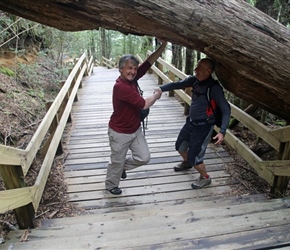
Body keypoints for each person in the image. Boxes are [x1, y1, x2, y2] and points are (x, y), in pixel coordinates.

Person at [105, 39, 167, 195]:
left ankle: (120, 168)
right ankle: (111, 185)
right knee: (116, 161)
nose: (132, 71)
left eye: (134, 68)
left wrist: (163, 46)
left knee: (144, 157)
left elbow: (148, 63)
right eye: (129, 69)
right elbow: (144, 104)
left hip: (135, 129)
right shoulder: (121, 87)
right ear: (120, 69)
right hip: (119, 132)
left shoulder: (132, 78)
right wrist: (156, 95)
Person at [157, 58, 231, 189]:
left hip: (204, 126)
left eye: (200, 68)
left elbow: (226, 109)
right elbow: (176, 85)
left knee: (196, 157)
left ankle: (205, 178)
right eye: (196, 67)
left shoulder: (214, 88)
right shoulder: (194, 80)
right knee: (180, 146)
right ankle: (187, 163)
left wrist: (222, 132)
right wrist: (160, 89)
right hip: (191, 122)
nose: (196, 70)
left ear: (208, 71)